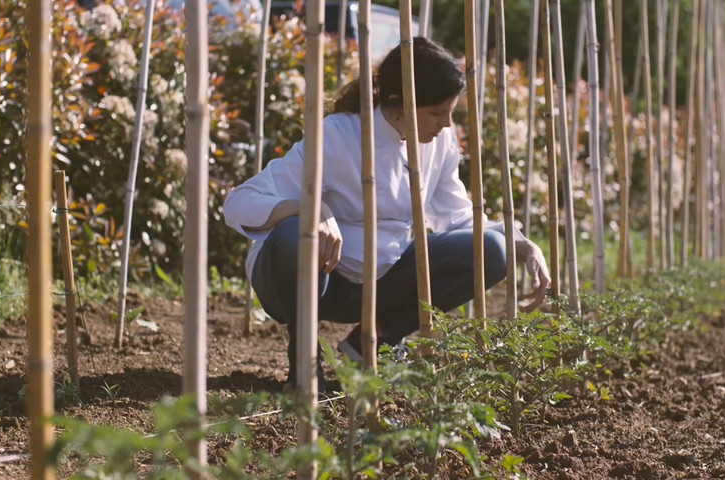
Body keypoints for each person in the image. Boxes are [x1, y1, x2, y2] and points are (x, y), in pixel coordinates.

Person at [223, 37, 550, 391]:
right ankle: (303, 359)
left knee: (493, 251)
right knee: (293, 233)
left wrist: (521, 243)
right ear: (399, 104)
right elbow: (241, 201)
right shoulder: (338, 135)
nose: (446, 124)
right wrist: (310, 208)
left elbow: (457, 216)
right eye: (438, 112)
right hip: (311, 282)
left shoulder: (439, 141)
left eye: (451, 112)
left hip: (382, 282)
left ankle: (370, 344)